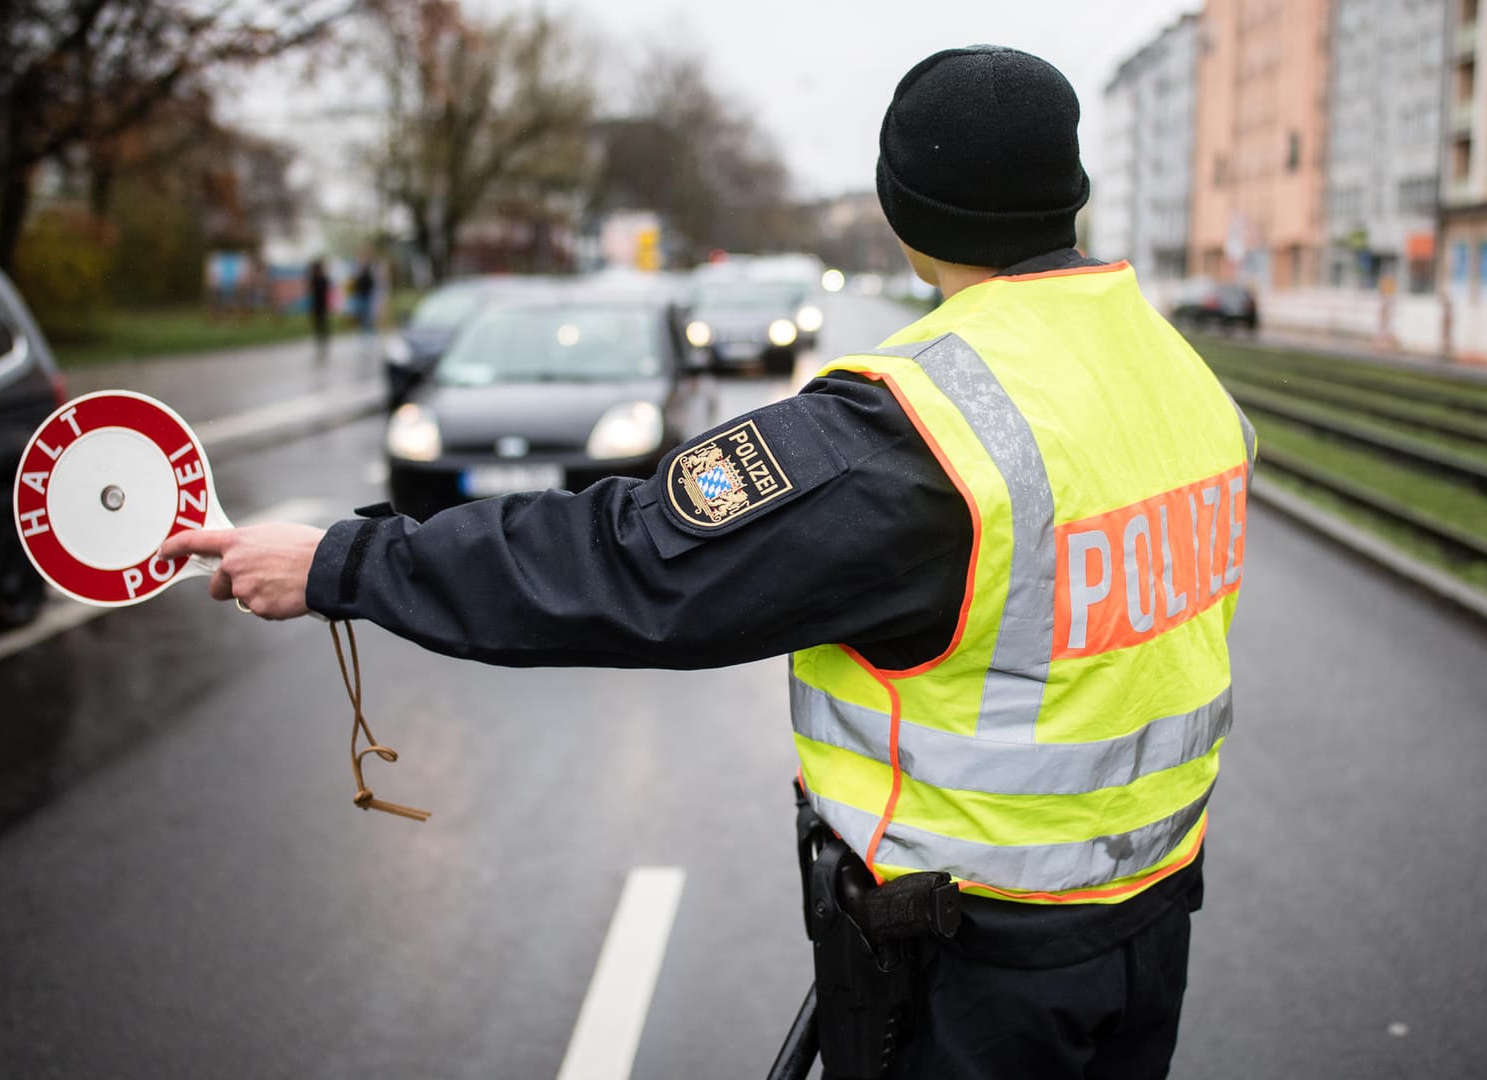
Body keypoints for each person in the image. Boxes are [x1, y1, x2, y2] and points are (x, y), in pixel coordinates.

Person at [161, 46, 1255, 1080]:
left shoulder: (919, 427)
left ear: (906, 213)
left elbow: (632, 561)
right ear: (1070, 196)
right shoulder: (1172, 371)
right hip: (1147, 933)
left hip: (973, 965)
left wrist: (339, 562)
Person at [307, 257, 331, 352]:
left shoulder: (323, 279)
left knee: (323, 323)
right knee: (318, 324)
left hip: (322, 305)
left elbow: (326, 290)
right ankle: (319, 339)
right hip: (316, 305)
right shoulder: (314, 278)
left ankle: (323, 340)